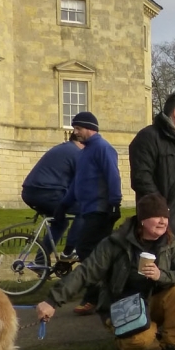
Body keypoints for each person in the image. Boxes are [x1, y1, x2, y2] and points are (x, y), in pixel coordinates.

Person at [36, 193, 175, 350]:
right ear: (142, 219)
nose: (163, 221)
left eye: (165, 217)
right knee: (141, 341)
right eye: (156, 216)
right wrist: (52, 301)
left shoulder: (170, 243)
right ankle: (126, 346)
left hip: (152, 302)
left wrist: (161, 275)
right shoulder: (115, 243)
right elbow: (85, 272)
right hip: (121, 305)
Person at [55, 111, 122, 315]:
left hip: (100, 210)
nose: (75, 132)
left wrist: (114, 203)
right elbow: (78, 183)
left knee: (87, 251)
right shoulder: (84, 152)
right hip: (88, 210)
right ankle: (106, 293)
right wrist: (64, 204)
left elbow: (113, 176)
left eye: (78, 128)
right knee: (93, 253)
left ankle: (94, 297)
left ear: (90, 128)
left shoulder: (103, 148)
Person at [128, 92, 175, 270]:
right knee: (156, 281)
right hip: (158, 230)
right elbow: (141, 179)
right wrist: (161, 212)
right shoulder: (148, 137)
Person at [21, 133, 83, 261]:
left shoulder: (62, 148)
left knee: (60, 223)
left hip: (30, 192)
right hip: (47, 193)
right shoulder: (76, 153)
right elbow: (82, 182)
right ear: (81, 141)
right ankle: (69, 252)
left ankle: (40, 260)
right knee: (84, 210)